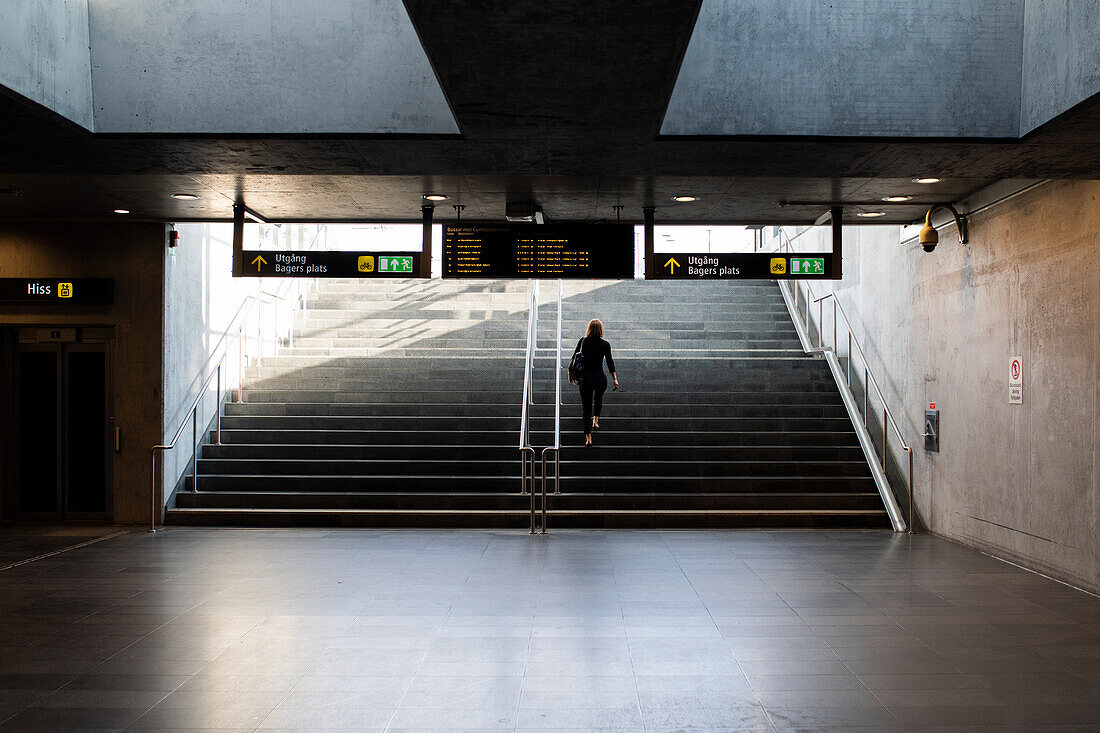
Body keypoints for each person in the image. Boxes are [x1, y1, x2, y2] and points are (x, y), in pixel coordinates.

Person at [569, 319, 619, 447]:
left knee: (586, 409)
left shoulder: (583, 341)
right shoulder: (605, 344)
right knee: (598, 398)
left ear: (589, 329)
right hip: (600, 378)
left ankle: (588, 438)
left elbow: (574, 357)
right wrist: (615, 379)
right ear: (601, 329)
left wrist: (570, 374)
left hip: (585, 379)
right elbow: (610, 362)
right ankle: (596, 420)